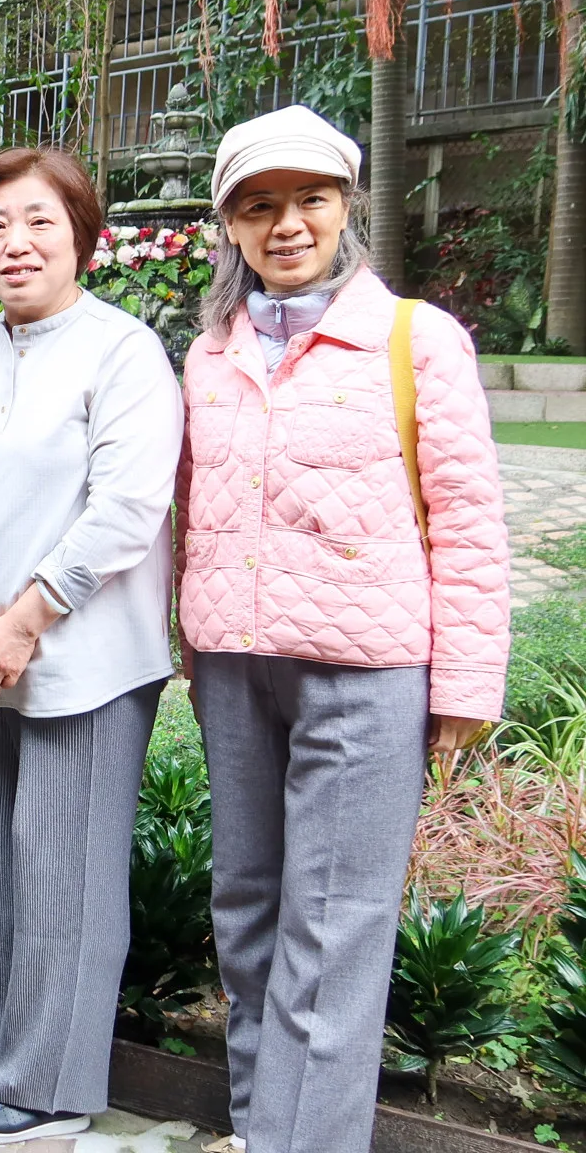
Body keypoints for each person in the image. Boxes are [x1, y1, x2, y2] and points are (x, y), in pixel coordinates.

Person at [178, 106, 510, 1153]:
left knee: (334, 925)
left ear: (346, 208)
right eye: (260, 205)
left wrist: (463, 681)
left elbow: (466, 515)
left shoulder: (416, 340)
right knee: (248, 907)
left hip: (366, 673)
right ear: (229, 224)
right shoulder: (210, 355)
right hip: (234, 668)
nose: (287, 223)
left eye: (310, 199)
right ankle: (256, 1124)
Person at [0, 147, 184, 1143]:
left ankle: (49, 1088)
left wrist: (23, 619)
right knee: (3, 865)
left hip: (86, 659)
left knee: (66, 873)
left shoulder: (123, 351)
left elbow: (128, 507)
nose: (14, 242)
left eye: (38, 222)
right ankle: (4, 1051)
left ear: (82, 238)